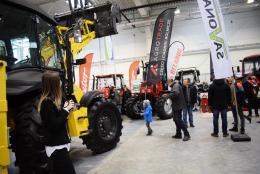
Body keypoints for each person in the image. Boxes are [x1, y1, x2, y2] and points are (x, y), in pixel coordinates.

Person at [38, 71, 76, 174]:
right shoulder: (46, 103)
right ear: (53, 84)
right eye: (58, 80)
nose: (60, 82)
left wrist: (68, 110)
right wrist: (65, 110)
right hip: (56, 147)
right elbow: (54, 125)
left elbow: (60, 120)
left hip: (60, 145)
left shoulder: (54, 99)